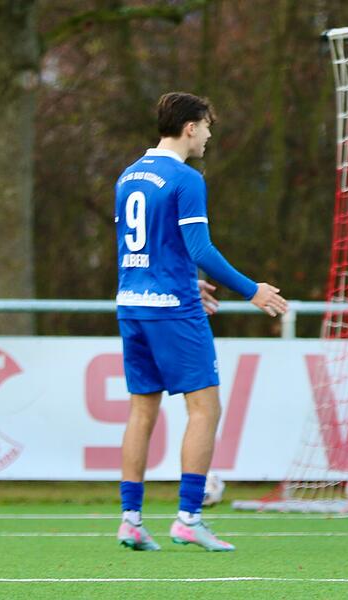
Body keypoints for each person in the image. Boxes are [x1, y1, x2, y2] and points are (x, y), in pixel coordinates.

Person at [114, 92, 287, 552]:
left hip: (132, 302)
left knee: (141, 409)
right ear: (190, 127)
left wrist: (189, 282)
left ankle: (130, 519)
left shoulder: (129, 175)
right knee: (205, 408)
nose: (209, 135)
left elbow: (148, 249)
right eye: (207, 127)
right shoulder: (185, 178)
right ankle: (189, 517)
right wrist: (253, 290)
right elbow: (200, 249)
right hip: (173, 308)